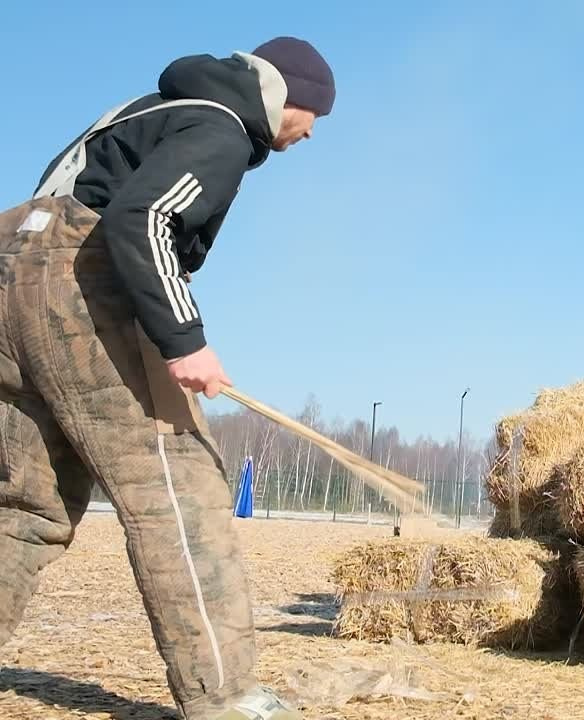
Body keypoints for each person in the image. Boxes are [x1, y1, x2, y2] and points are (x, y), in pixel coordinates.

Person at [0, 37, 334, 720]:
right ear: (287, 97)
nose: (309, 135)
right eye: (314, 117)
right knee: (182, 491)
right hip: (81, 282)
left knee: (26, 508)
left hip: (13, 271)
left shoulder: (152, 107)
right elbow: (144, 216)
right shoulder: (221, 126)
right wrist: (185, 340)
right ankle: (226, 695)